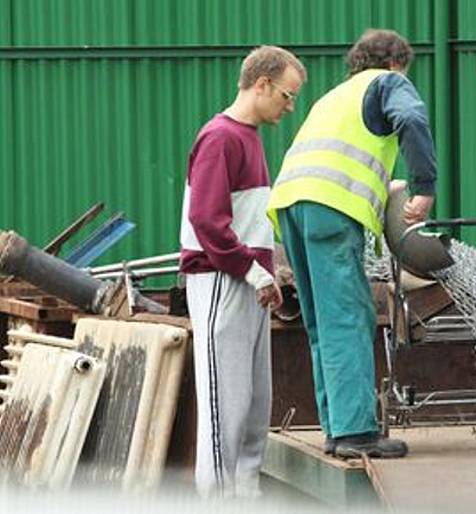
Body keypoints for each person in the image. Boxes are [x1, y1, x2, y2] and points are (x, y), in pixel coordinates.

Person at [267, 29, 437, 459]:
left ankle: (337, 428)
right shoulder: (388, 83)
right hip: (330, 207)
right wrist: (424, 188)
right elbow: (412, 120)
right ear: (396, 62)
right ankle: (357, 432)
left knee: (323, 323)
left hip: (291, 206)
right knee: (349, 315)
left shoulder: (336, 96)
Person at [179, 45, 306, 497]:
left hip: (249, 284)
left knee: (253, 405)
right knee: (224, 409)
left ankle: (247, 497)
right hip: (222, 282)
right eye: (287, 96)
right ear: (262, 84)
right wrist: (254, 273)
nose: (289, 107)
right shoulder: (221, 137)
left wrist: (264, 275)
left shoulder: (247, 138)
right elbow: (207, 221)